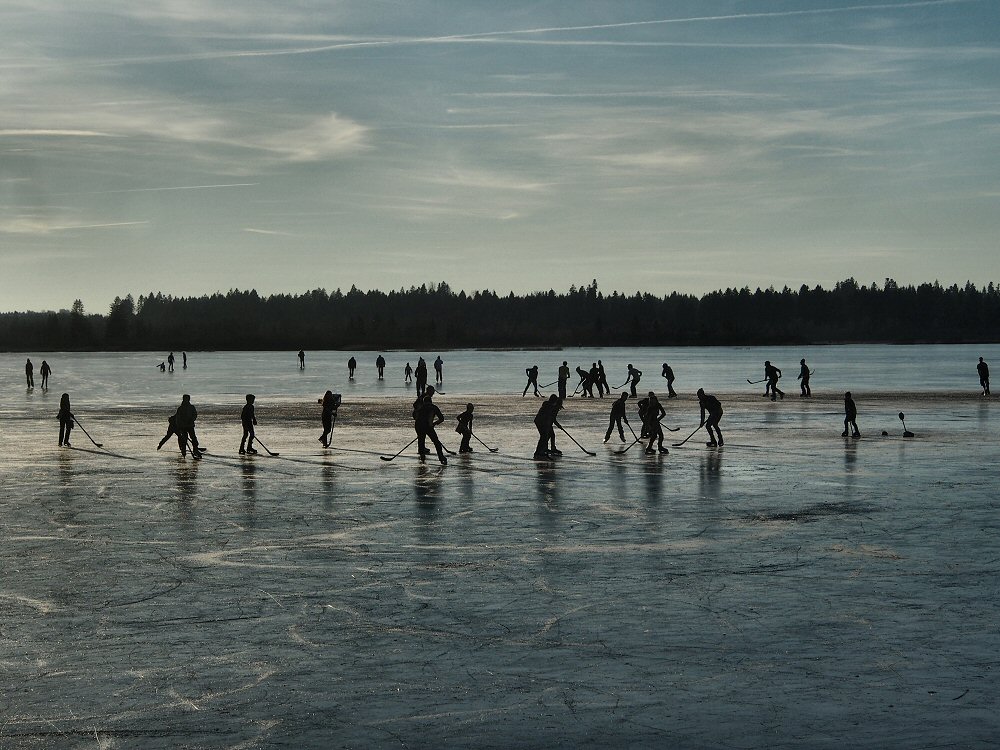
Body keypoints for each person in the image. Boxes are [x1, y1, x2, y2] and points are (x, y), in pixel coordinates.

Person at [414, 386, 447, 464]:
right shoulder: (434, 407)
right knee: (436, 442)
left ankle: (422, 457)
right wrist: (435, 423)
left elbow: (415, 415)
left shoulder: (421, 407)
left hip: (419, 425)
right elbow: (441, 418)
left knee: (421, 441)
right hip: (428, 426)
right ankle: (441, 457)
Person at [533, 395, 563, 459]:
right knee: (544, 436)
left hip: (545, 422)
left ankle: (544, 449)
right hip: (541, 422)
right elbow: (550, 418)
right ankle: (539, 451)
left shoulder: (551, 406)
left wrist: (557, 425)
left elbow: (552, 419)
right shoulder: (550, 407)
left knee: (549, 435)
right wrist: (554, 425)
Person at [174, 394, 202, 458]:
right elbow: (178, 418)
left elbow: (195, 415)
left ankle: (195, 450)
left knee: (194, 438)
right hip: (183, 427)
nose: (186, 400)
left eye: (187, 399)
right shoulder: (180, 408)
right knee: (184, 439)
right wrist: (179, 425)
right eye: (185, 399)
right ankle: (183, 451)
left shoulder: (191, 407)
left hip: (190, 426)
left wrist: (191, 420)